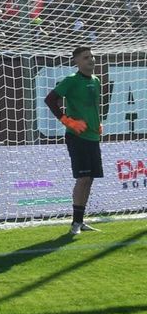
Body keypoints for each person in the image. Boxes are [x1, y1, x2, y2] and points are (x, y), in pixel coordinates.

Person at [44, 46, 102, 235]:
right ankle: (75, 224)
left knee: (89, 179)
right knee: (83, 178)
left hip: (92, 136)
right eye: (85, 57)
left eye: (92, 56)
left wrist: (97, 123)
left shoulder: (96, 80)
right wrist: (67, 121)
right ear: (76, 61)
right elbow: (50, 100)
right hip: (77, 137)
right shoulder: (71, 80)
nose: (91, 60)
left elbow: (92, 107)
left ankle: (80, 221)